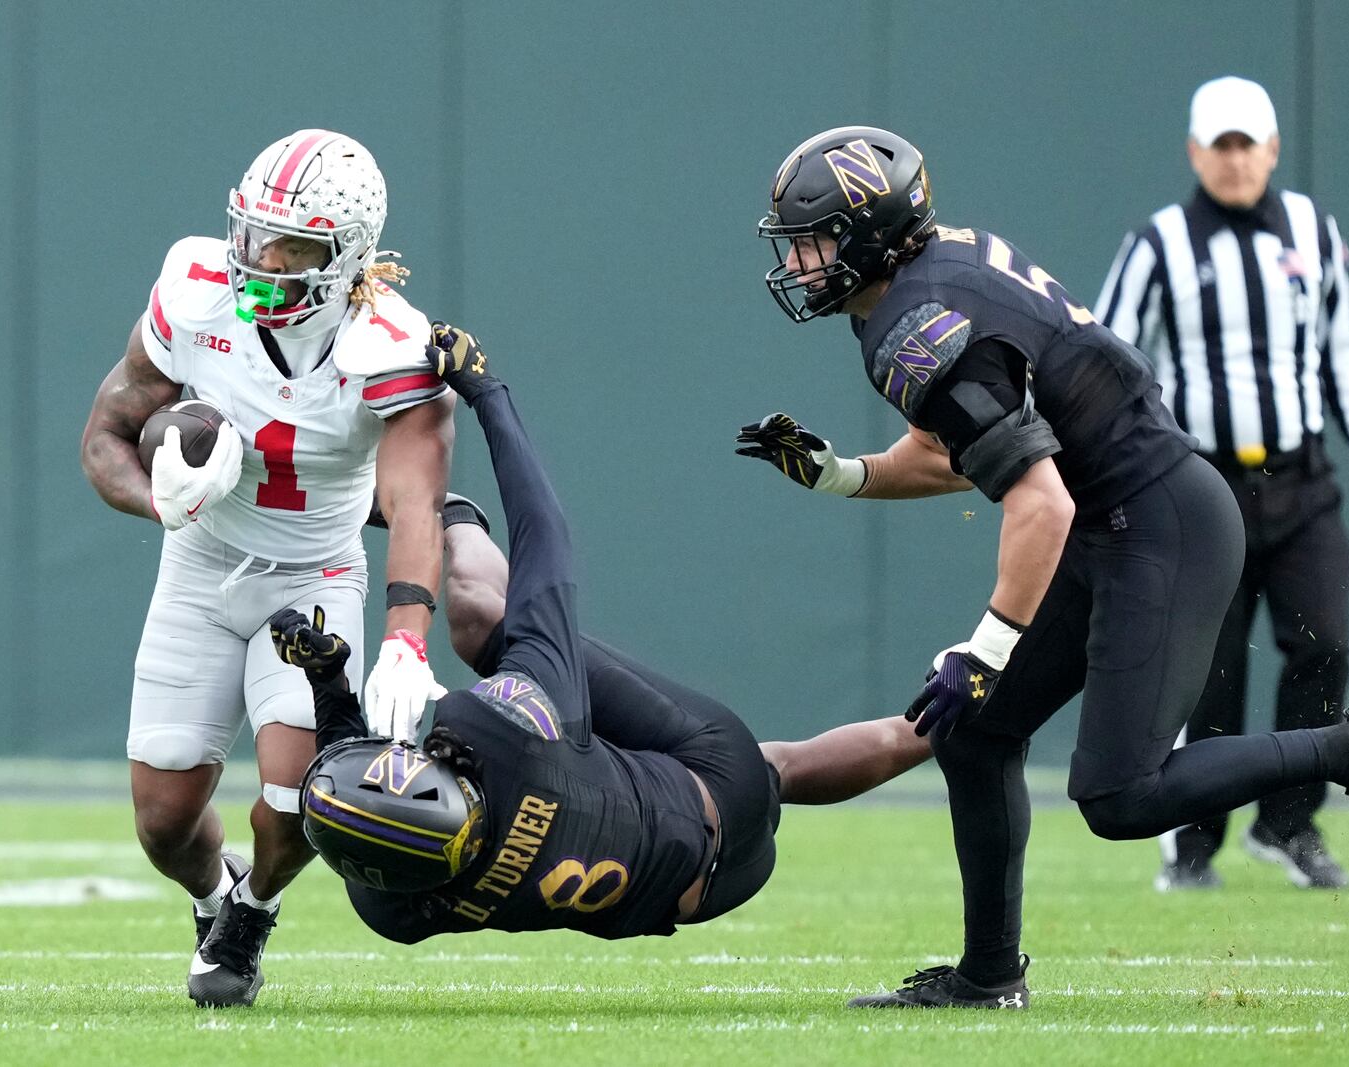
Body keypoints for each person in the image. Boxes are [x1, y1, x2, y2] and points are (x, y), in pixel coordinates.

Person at [735, 125, 1349, 1011]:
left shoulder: (915, 321)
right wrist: (843, 475)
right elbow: (966, 451)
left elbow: (1038, 500)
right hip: (1121, 516)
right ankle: (990, 976)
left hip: (1156, 523)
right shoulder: (929, 273)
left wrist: (984, 649)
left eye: (815, 237)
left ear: (870, 230)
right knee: (973, 735)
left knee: (1120, 794)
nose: (800, 261)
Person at [268, 324, 934, 946]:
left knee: (771, 767)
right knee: (483, 618)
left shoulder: (391, 911)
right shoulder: (507, 736)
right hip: (713, 784)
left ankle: (942, 724)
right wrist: (488, 394)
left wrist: (330, 683)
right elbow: (545, 542)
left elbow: (351, 796)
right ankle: (952, 712)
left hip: (694, 894)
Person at [79, 129, 453, 1008]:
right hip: (201, 563)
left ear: (348, 258)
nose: (260, 260)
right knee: (165, 822)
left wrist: (406, 639)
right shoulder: (197, 294)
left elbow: (414, 506)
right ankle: (214, 893)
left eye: (291, 246)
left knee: (300, 798)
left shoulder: (390, 345)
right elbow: (103, 438)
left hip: (315, 575)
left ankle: (252, 912)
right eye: (251, 233)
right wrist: (159, 500)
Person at [1094, 76, 1349, 892]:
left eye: (1247, 144)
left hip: (1303, 483)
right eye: (1220, 146)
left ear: (1271, 148)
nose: (1235, 160)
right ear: (1196, 153)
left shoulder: (1312, 230)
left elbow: (1342, 350)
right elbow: (1104, 356)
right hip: (1202, 490)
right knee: (1210, 672)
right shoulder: (1159, 243)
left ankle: (1290, 823)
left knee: (1327, 643)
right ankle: (1192, 845)